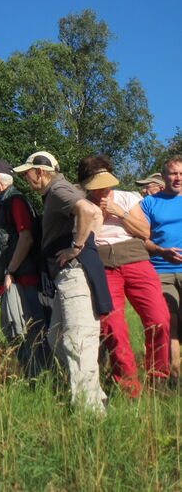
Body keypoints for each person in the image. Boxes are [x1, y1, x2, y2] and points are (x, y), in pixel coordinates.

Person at [14, 150, 111, 414]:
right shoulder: (57, 192)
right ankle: (96, 396)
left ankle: (88, 412)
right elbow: (96, 214)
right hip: (67, 276)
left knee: (77, 342)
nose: (26, 180)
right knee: (56, 337)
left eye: (28, 174)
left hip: (75, 274)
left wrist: (77, 247)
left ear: (41, 172)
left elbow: (88, 210)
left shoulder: (58, 190)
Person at [77, 155, 170, 395]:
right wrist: (94, 216)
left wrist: (120, 213)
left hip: (137, 261)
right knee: (114, 329)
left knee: (159, 319)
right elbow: (81, 241)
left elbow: (145, 231)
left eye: (106, 183)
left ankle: (158, 377)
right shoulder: (82, 204)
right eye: (96, 186)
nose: (103, 190)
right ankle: (129, 387)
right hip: (103, 266)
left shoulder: (129, 198)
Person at [0, 160, 48, 378]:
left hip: (22, 279)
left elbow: (26, 237)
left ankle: (42, 379)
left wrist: (11, 271)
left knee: (31, 332)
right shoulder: (3, 204)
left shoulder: (15, 201)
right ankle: (33, 379)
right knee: (17, 332)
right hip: (15, 278)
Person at [141, 156, 182, 377]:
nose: (178, 178)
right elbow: (141, 238)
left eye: (181, 174)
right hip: (160, 270)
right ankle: (174, 375)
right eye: (173, 173)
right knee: (169, 323)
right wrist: (160, 251)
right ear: (163, 176)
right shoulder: (150, 203)